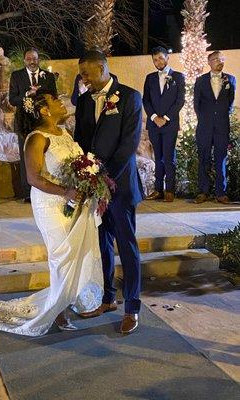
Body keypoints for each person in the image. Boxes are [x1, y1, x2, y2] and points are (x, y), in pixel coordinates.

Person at [0, 89, 103, 336]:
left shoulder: (64, 132)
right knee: (61, 257)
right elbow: (33, 178)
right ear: (44, 110)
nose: (61, 102)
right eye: (55, 100)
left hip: (73, 201)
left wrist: (88, 183)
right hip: (50, 204)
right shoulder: (36, 138)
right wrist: (65, 191)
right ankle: (58, 311)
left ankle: (67, 299)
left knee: (75, 254)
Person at [74, 50, 143, 335]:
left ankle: (132, 308)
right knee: (101, 244)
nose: (84, 80)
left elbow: (129, 145)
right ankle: (107, 298)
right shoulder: (82, 101)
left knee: (127, 246)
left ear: (102, 68)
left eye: (87, 74)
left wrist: (102, 178)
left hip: (121, 186)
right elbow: (80, 140)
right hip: (94, 187)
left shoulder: (129, 97)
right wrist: (83, 174)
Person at [9, 48, 57, 202]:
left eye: (35, 58)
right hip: (24, 122)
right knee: (26, 156)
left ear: (38, 59)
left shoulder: (48, 76)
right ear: (24, 60)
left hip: (43, 122)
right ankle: (27, 193)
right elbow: (12, 99)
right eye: (29, 58)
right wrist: (26, 96)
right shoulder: (16, 76)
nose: (32, 61)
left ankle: (46, 189)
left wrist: (40, 96)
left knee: (44, 154)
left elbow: (54, 97)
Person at [143, 46, 185, 202]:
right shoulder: (150, 78)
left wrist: (165, 117)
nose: (158, 61)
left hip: (170, 124)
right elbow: (145, 100)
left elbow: (180, 101)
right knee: (157, 157)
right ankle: (158, 189)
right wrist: (154, 117)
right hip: (154, 125)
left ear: (168, 58)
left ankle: (170, 190)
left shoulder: (178, 77)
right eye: (155, 59)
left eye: (160, 58)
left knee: (169, 157)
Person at [194, 51, 236, 204]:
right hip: (204, 127)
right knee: (203, 159)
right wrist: (206, 119)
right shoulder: (200, 81)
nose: (220, 61)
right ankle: (203, 192)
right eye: (216, 59)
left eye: (222, 59)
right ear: (209, 62)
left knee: (221, 159)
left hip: (222, 127)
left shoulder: (231, 79)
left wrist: (220, 118)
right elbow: (196, 104)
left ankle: (221, 193)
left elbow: (230, 104)